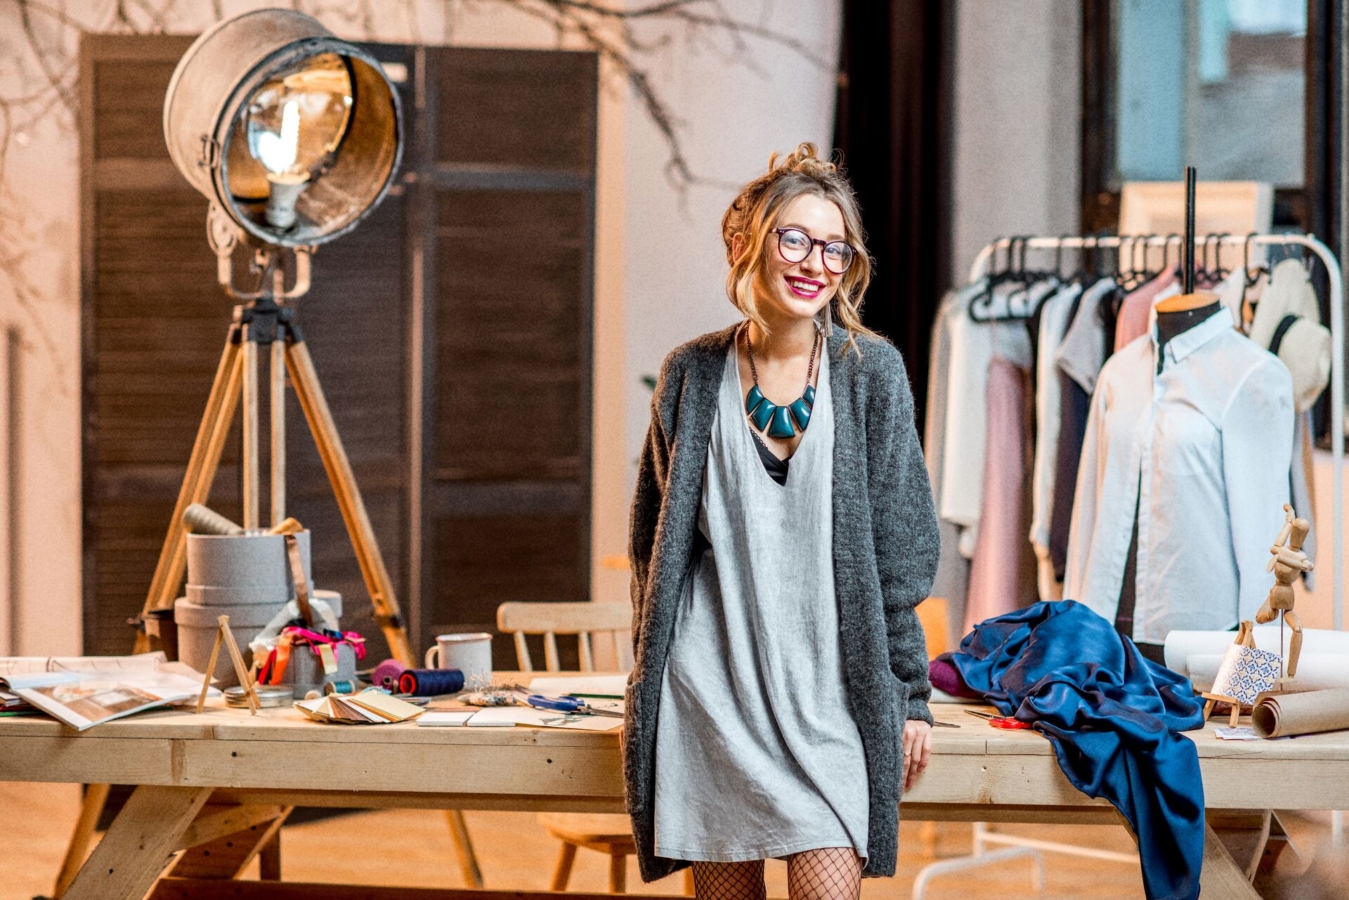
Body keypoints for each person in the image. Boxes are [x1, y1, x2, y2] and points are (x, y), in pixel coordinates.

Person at [623, 143, 941, 900]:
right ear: (746, 244)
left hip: (829, 701)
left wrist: (909, 694)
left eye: (834, 247)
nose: (814, 264)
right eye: (793, 239)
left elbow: (901, 554)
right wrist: (646, 681)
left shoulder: (871, 372)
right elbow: (652, 549)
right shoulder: (690, 374)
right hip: (710, 698)